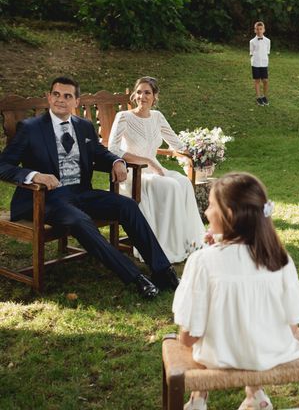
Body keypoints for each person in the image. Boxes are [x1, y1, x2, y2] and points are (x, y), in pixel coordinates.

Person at [0, 76, 178, 298]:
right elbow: (3, 165)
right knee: (80, 221)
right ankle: (135, 277)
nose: (61, 100)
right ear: (48, 97)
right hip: (46, 198)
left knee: (128, 206)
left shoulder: (83, 126)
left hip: (81, 192)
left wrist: (116, 161)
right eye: (56, 95)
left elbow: (99, 153)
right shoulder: (29, 128)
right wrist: (34, 175)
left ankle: (162, 270)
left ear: (76, 101)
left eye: (67, 96)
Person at [173, 173, 299, 410]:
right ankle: (255, 394)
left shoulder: (202, 261)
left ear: (228, 215)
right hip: (273, 351)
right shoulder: (280, 257)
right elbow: (294, 325)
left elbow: (188, 336)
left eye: (211, 206)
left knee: (193, 336)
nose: (205, 212)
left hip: (219, 356)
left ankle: (198, 398)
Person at [108, 77, 205, 264]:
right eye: (139, 92)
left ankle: (189, 243)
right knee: (171, 186)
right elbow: (113, 149)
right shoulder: (124, 117)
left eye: (147, 92)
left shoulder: (158, 117)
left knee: (183, 183)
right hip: (133, 174)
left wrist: (196, 153)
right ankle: (165, 246)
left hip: (155, 169)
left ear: (155, 97)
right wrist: (145, 161)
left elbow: (176, 143)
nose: (142, 96)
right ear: (133, 95)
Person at [249, 21, 271, 106]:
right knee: (257, 80)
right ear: (255, 30)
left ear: (264, 30)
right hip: (255, 63)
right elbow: (251, 52)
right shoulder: (252, 42)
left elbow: (267, 51)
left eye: (260, 29)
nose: (259, 31)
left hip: (264, 63)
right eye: (257, 29)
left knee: (265, 80)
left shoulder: (268, 41)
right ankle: (258, 97)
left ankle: (264, 96)